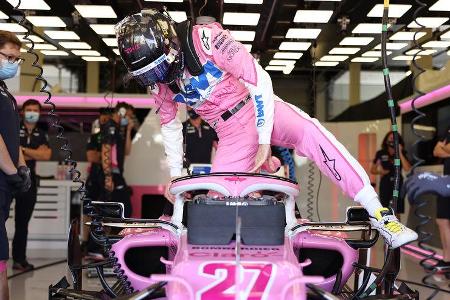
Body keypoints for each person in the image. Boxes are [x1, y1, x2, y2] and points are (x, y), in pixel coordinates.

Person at [114, 10, 417, 249]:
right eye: (148, 73)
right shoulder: (159, 79)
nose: (157, 76)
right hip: (231, 134)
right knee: (218, 209)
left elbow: (259, 80)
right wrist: (176, 175)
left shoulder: (205, 40)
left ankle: (379, 214)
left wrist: (263, 139)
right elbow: (169, 123)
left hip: (259, 105)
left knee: (311, 134)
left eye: (157, 67)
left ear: (171, 44)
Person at [0, 30, 31, 300]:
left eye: (16, 59)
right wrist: (12, 171)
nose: (13, 63)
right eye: (8, 57)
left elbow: (11, 137)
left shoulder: (5, 94)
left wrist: (21, 167)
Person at [12, 99, 51, 271]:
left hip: (29, 181)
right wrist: (34, 152)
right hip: (8, 178)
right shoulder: (12, 127)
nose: (32, 112)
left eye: (35, 110)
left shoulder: (42, 133)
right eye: (29, 109)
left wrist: (23, 150)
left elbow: (46, 155)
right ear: (22, 112)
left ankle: (19, 259)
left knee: (22, 223)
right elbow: (11, 154)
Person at [101, 103, 134, 217]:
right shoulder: (110, 127)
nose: (129, 119)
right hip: (112, 174)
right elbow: (105, 151)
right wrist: (108, 176)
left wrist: (128, 130)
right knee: (120, 210)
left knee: (118, 211)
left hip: (117, 173)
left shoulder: (118, 129)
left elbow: (127, 151)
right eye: (128, 116)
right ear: (122, 112)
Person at [370, 132, 411, 216]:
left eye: (394, 138)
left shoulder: (401, 152)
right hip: (385, 183)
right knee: (385, 209)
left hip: (398, 183)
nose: (392, 140)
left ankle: (397, 228)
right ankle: (387, 226)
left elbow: (407, 168)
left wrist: (400, 152)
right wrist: (381, 171)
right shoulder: (381, 153)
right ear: (386, 140)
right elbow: (372, 170)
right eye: (390, 138)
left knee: (396, 210)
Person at [430, 125, 450, 270]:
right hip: (446, 181)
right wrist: (444, 148)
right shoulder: (448, 129)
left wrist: (444, 148)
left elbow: (441, 149)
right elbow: (436, 151)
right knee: (442, 221)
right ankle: (447, 259)